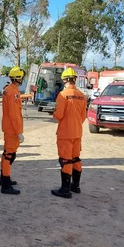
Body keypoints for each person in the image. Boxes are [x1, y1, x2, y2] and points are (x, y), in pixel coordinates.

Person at [51, 68, 87, 199]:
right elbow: (83, 116)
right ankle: (75, 186)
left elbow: (58, 115)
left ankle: (65, 190)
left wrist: (54, 113)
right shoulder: (82, 96)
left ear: (64, 79)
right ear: (75, 79)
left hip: (65, 133)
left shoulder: (62, 95)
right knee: (75, 158)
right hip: (77, 132)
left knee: (65, 160)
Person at [0, 66, 25, 195]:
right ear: (19, 78)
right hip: (12, 129)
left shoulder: (8, 90)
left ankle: (3, 178)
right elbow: (14, 114)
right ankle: (5, 184)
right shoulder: (13, 92)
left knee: (6, 153)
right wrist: (19, 132)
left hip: (7, 127)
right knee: (10, 155)